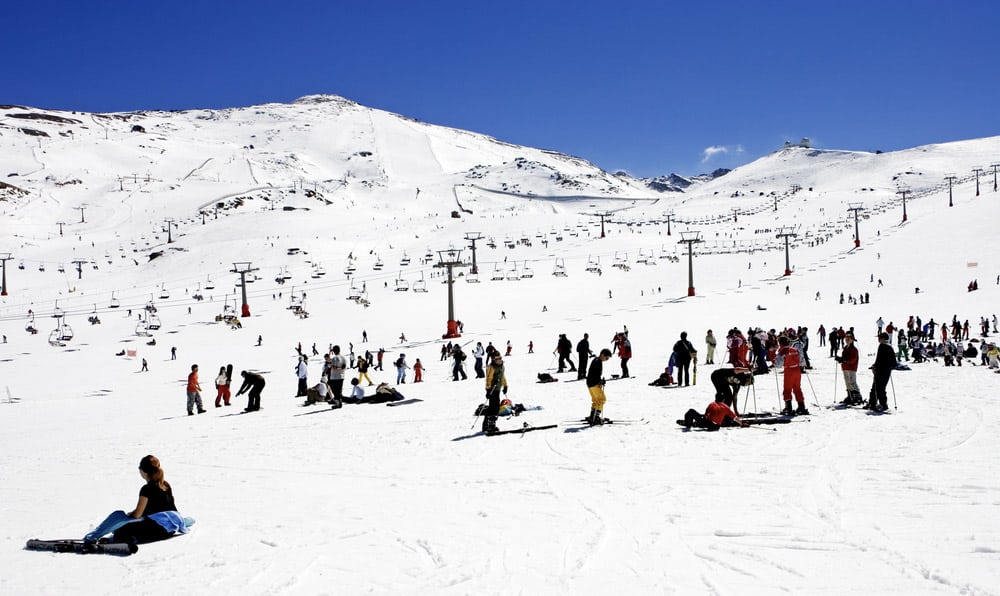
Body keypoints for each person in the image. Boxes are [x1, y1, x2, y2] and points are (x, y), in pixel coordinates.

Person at [84, 455, 191, 545]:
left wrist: (126, 515)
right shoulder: (165, 484)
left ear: (144, 472)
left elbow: (137, 515)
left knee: (120, 525)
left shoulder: (146, 489)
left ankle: (94, 536)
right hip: (169, 530)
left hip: (155, 529)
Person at [776, 334, 808, 415]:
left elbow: (778, 365)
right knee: (797, 388)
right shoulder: (795, 349)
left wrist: (775, 361)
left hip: (789, 370)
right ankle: (801, 407)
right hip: (797, 370)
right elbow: (801, 359)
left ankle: (788, 408)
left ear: (780, 343)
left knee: (787, 389)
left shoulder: (783, 351)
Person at [678, 395, 748, 430]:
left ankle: (688, 424)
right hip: (717, 427)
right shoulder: (726, 407)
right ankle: (693, 423)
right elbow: (735, 417)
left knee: (691, 411)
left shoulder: (712, 404)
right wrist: (741, 423)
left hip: (709, 425)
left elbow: (706, 416)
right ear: (723, 400)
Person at [867, 332, 897, 411]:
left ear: (883, 339)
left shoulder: (882, 346)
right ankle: (874, 403)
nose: (878, 339)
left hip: (881, 371)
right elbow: (893, 362)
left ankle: (881, 404)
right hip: (886, 371)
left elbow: (879, 360)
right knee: (878, 387)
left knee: (878, 388)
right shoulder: (890, 347)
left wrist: (875, 367)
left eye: (880, 338)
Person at [482, 352, 508, 433]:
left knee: (493, 407)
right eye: (497, 359)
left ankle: (486, 425)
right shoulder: (492, 367)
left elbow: (502, 376)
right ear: (493, 359)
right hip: (492, 389)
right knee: (495, 407)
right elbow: (488, 379)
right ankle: (490, 425)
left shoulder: (502, 366)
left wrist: (505, 385)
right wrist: (488, 390)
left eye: (500, 358)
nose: (499, 360)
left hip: (497, 389)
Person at [586, 349, 612, 425]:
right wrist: (600, 381)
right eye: (606, 358)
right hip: (593, 384)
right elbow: (595, 375)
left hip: (590, 384)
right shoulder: (597, 362)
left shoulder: (596, 360)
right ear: (602, 355)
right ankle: (596, 417)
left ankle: (592, 416)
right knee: (602, 399)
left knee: (596, 400)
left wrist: (600, 381)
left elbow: (594, 374)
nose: (606, 360)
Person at [836, 333, 863, 405]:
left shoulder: (854, 349)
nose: (847, 340)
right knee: (847, 383)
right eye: (846, 338)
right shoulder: (845, 348)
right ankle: (850, 396)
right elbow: (845, 357)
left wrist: (844, 360)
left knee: (852, 382)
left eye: (848, 339)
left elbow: (853, 359)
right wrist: (840, 359)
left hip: (851, 368)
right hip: (845, 367)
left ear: (852, 340)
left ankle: (857, 397)